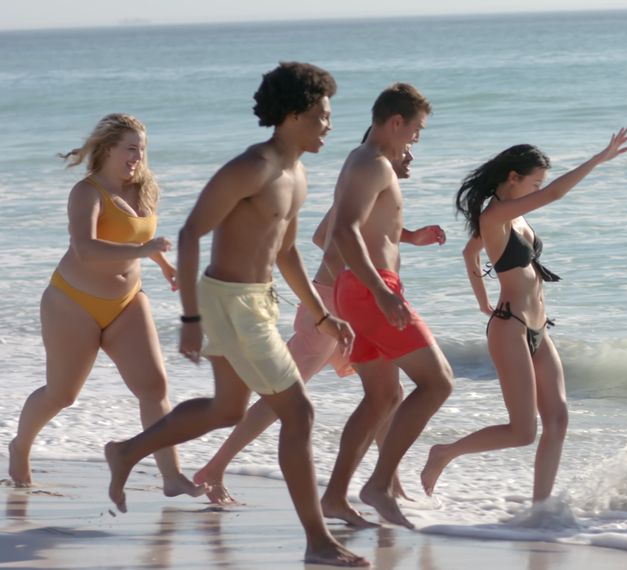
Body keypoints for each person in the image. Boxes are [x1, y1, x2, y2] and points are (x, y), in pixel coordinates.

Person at [103, 62, 367, 567]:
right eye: (321, 116)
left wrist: (321, 315)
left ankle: (127, 452)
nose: (329, 126)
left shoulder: (298, 175)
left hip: (256, 299)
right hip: (228, 303)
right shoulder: (253, 167)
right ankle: (317, 541)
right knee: (300, 412)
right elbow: (189, 234)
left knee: (227, 409)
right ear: (292, 115)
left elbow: (286, 253)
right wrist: (190, 320)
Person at [193, 133, 445, 511]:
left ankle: (388, 484)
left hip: (347, 305)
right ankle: (213, 468)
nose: (410, 155)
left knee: (383, 396)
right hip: (330, 306)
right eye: (406, 147)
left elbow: (338, 234)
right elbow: (325, 235)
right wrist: (354, 284)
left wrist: (408, 237)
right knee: (281, 395)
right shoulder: (363, 184)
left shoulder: (375, 191)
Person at [421, 127, 627, 505]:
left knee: (558, 421)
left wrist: (481, 298)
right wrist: (599, 158)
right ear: (513, 178)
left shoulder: (512, 218)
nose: (539, 190)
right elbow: (554, 195)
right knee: (522, 432)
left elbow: (470, 254)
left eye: (540, 184)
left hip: (537, 328)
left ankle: (540, 509)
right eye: (534, 183)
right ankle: (445, 452)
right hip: (511, 329)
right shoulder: (495, 215)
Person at [7, 114, 202, 501]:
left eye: (142, 150)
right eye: (130, 149)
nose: (137, 157)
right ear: (108, 148)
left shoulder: (144, 189)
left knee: (154, 386)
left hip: (127, 302)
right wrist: (144, 251)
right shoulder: (87, 192)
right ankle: (20, 445)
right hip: (72, 303)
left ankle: (172, 476)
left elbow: (141, 238)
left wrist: (164, 266)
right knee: (62, 394)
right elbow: (85, 247)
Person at [321, 83, 454, 530]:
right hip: (368, 289)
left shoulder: (369, 162)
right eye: (416, 130)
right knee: (438, 382)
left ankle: (336, 497)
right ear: (396, 122)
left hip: (361, 287)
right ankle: (378, 484)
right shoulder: (373, 163)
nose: (417, 138)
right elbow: (342, 231)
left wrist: (410, 238)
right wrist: (379, 290)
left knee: (382, 397)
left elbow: (369, 229)